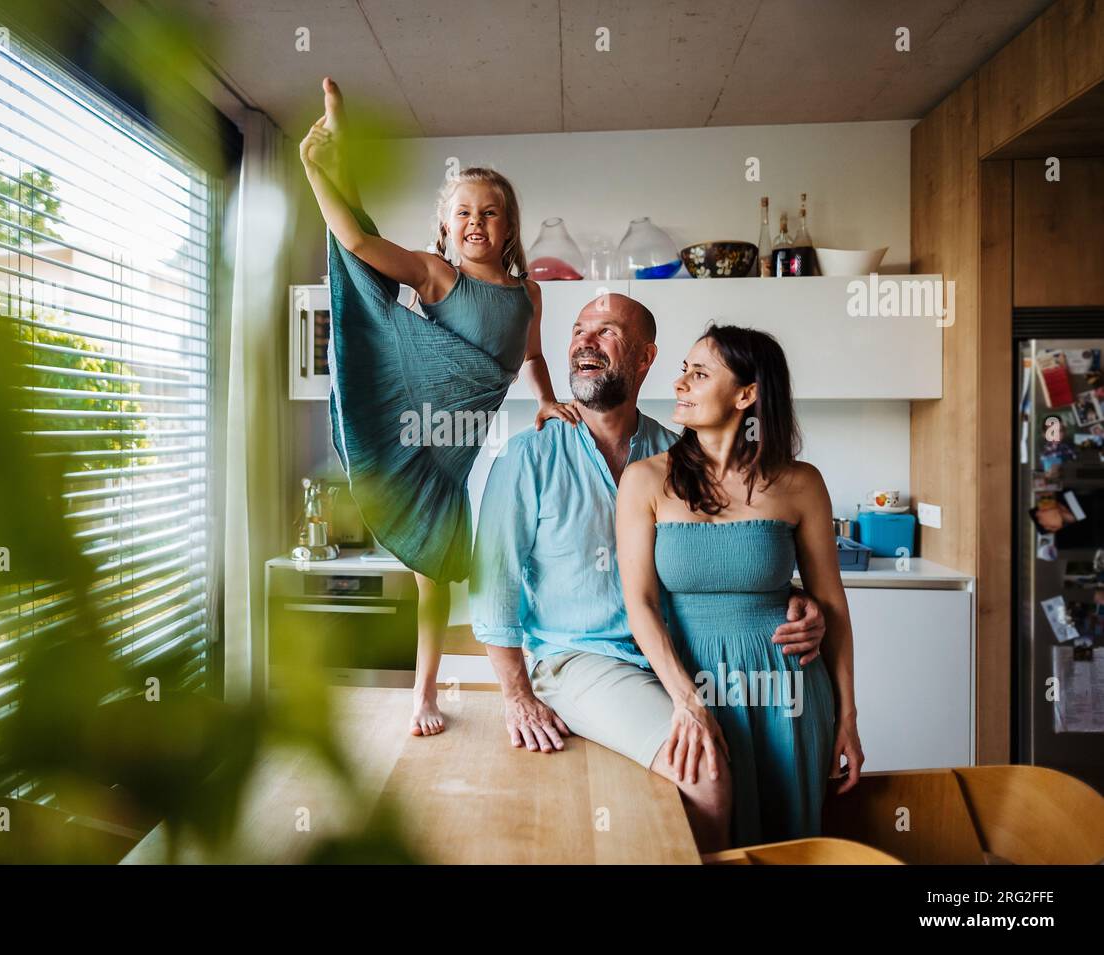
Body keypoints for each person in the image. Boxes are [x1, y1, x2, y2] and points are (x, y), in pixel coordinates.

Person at [469, 294, 830, 852]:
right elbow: (494, 587)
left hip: (673, 659)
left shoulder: (676, 452)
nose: (584, 341)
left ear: (645, 358)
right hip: (584, 659)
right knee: (707, 773)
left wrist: (798, 595)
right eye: (579, 330)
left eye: (607, 332)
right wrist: (517, 694)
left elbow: (725, 545)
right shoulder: (528, 456)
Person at [300, 78, 578, 737]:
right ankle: (421, 696)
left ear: (509, 226)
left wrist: (543, 401)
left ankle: (434, 693)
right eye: (463, 213)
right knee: (361, 255)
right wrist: (312, 171)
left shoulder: (528, 294)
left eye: (489, 212)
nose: (475, 222)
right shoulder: (435, 274)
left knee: (434, 583)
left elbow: (531, 353)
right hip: (409, 428)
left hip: (451, 461)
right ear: (446, 228)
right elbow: (360, 247)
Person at [616, 324, 864, 847]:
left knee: (789, 844)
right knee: (698, 841)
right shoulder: (644, 480)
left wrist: (848, 717)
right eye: (683, 370)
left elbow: (832, 607)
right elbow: (639, 604)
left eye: (699, 373)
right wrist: (686, 701)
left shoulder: (800, 483)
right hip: (687, 683)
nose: (680, 383)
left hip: (788, 691)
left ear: (746, 395)